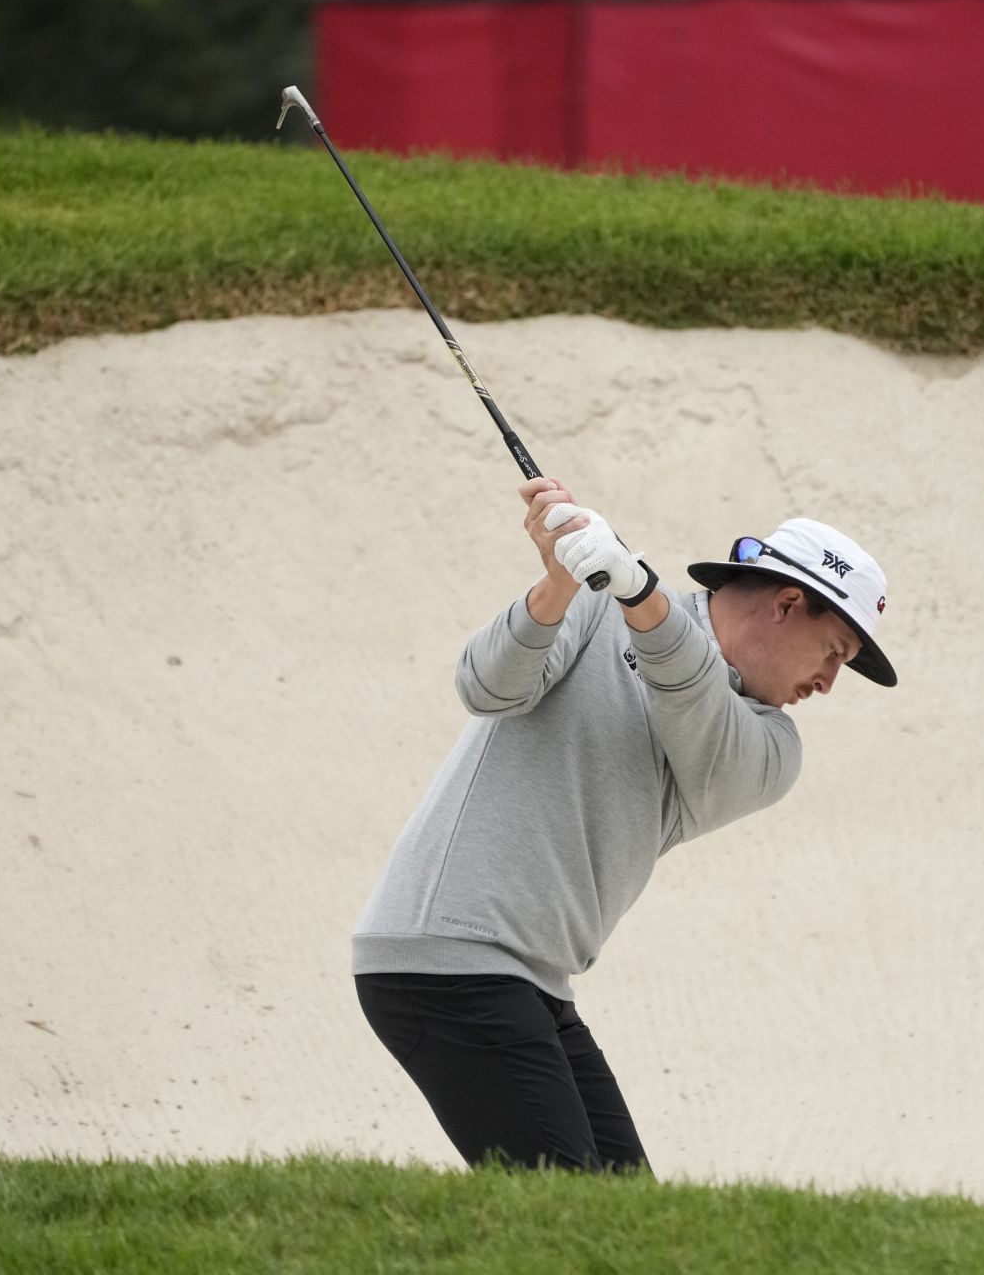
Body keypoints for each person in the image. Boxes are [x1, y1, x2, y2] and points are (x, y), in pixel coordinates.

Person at [352, 475, 897, 1174]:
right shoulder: (598, 607)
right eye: (835, 653)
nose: (828, 683)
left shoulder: (770, 747)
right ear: (788, 603)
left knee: (626, 1220)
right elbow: (484, 689)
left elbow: (692, 703)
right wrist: (557, 583)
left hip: (532, 980)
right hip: (443, 957)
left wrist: (641, 596)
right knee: (569, 1215)